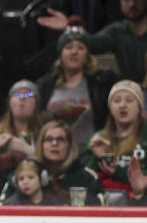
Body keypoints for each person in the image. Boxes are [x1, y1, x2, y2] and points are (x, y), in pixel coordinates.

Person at [36, 19, 119, 149]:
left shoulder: (102, 82)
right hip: (54, 151)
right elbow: (29, 94)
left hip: (90, 152)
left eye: (80, 48)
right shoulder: (46, 85)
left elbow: (127, 89)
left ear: (87, 55)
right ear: (60, 54)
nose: (74, 52)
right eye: (68, 47)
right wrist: (22, 93)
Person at [37, 0, 147, 84]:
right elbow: (90, 42)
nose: (132, 4)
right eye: (126, 0)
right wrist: (69, 26)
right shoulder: (117, 31)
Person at [83, 80, 147, 205]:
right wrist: (97, 156)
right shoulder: (100, 138)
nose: (122, 105)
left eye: (129, 100)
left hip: (144, 203)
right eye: (117, 100)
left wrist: (118, 172)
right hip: (104, 204)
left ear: (139, 107)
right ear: (110, 108)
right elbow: (85, 179)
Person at [0, 120, 103, 206]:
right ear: (41, 145)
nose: (54, 143)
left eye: (60, 139)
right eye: (49, 139)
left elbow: (102, 207)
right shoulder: (23, 174)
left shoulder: (86, 177)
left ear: (70, 146)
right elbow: (0, 207)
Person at [0, 80, 43, 193]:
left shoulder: (46, 134)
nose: (22, 98)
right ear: (9, 103)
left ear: (36, 103)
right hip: (0, 196)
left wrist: (25, 149)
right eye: (17, 94)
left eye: (28, 94)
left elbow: (54, 167)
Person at [1, 158, 67, 207]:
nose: (25, 182)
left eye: (30, 177)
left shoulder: (57, 203)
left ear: (43, 178)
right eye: (21, 179)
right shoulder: (11, 204)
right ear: (16, 182)